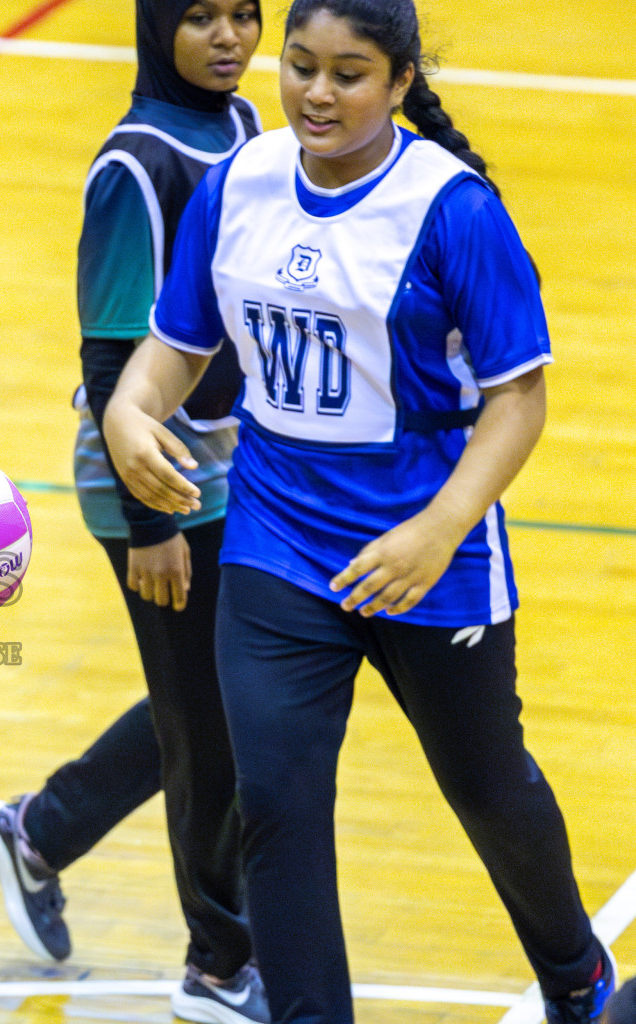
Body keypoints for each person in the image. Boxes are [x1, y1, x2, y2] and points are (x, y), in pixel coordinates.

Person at [103, 2, 617, 1021]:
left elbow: (520, 396)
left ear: (397, 81)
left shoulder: (452, 209)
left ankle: (576, 974)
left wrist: (438, 531)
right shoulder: (239, 184)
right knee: (280, 807)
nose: (317, 94)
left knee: (488, 788)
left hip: (427, 550)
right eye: (300, 69)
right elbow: (178, 343)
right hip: (277, 541)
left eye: (348, 74)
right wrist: (129, 406)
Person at [0, 3, 267, 1020]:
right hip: (153, 482)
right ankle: (219, 962)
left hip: (231, 462)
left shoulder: (240, 128)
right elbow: (109, 355)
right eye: (201, 17)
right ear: (156, 27)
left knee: (213, 698)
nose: (228, 37)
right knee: (214, 721)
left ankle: (39, 831)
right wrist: (150, 524)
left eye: (244, 14)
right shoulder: (134, 163)